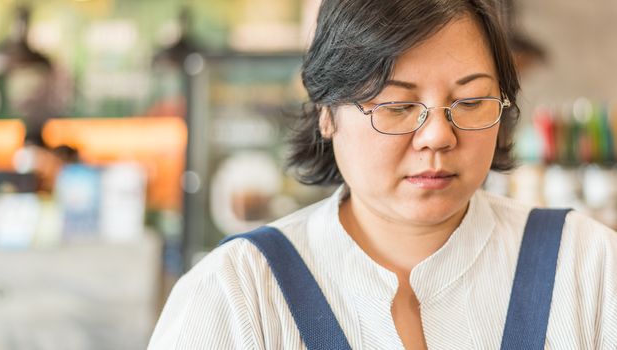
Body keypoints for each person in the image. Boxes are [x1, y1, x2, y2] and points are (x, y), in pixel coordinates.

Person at [148, 0, 617, 349]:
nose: (438, 135)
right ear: (326, 114)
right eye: (397, 105)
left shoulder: (588, 265)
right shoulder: (237, 292)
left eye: (471, 102)